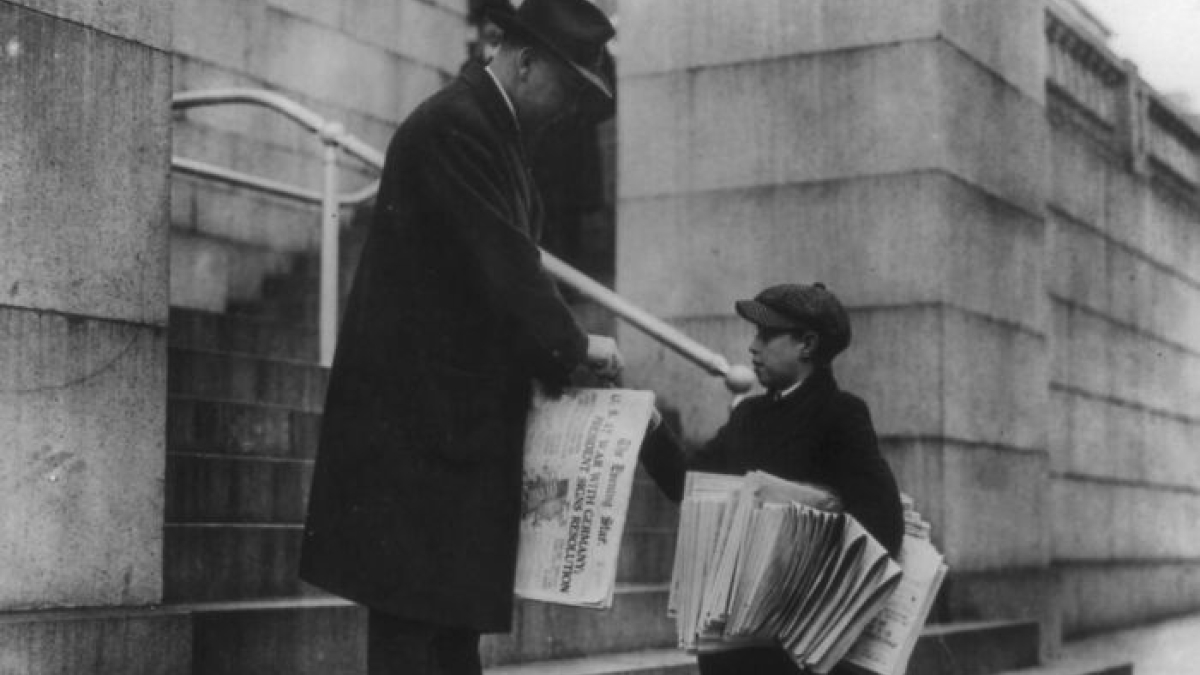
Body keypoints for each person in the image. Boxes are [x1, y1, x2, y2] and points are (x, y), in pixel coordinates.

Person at [299, 2, 621, 674]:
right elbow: (507, 269)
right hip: (421, 450)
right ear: (526, 61)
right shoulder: (460, 127)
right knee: (420, 647)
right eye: (569, 87)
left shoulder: (482, 128)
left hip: (442, 449)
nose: (569, 110)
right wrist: (577, 345)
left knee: (441, 647)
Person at [639, 282, 905, 675]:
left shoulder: (840, 415)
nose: (753, 347)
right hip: (733, 637)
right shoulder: (748, 416)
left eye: (766, 335)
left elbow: (883, 525)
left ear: (807, 345)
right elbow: (687, 484)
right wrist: (647, 424)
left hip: (796, 646)